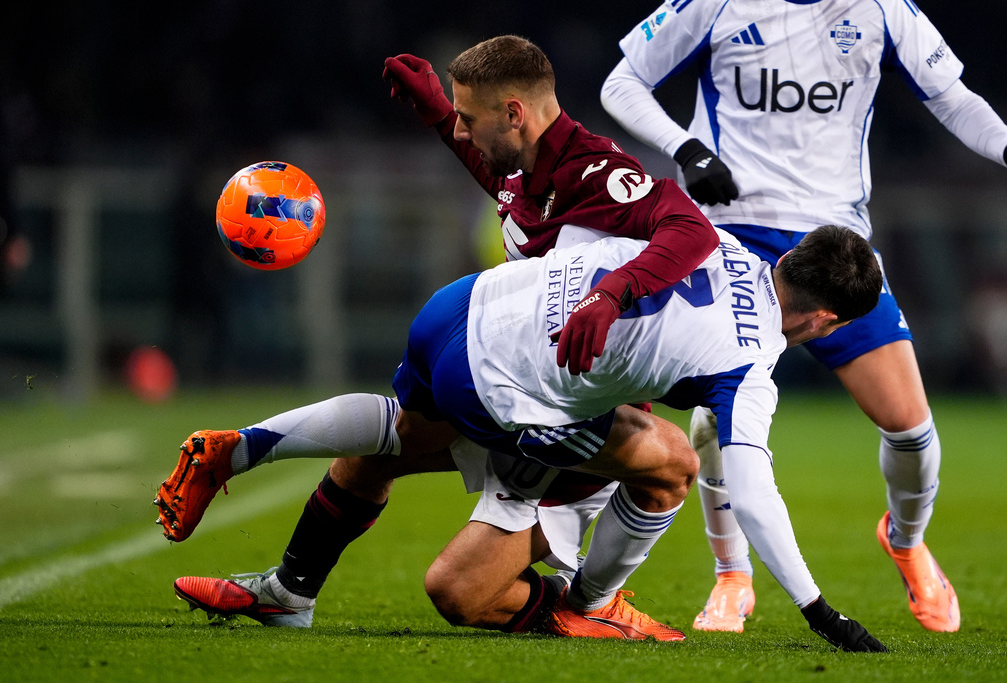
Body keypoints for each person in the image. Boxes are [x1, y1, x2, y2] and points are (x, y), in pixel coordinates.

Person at [157, 35, 720, 637]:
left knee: (462, 585)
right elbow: (504, 185)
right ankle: (288, 591)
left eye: (467, 119)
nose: (459, 132)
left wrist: (613, 295)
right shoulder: (527, 168)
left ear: (514, 113)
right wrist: (434, 111)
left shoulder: (599, 174)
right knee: (370, 458)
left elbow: (691, 229)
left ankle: (589, 603)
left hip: (570, 417)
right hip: (513, 380)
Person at [167, 225, 889, 651]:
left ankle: (278, 546)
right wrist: (819, 610)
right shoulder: (752, 362)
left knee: (398, 433)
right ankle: (593, 600)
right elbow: (754, 496)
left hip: (466, 305)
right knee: (668, 461)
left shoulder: (712, 234)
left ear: (790, 255)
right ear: (825, 319)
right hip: (510, 390)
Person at [599, 0, 1007, 634]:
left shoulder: (884, 11)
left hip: (839, 248)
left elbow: (952, 97)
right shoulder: (713, 5)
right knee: (714, 420)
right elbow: (621, 82)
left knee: (912, 430)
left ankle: (906, 539)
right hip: (735, 233)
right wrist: (687, 149)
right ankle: (732, 577)